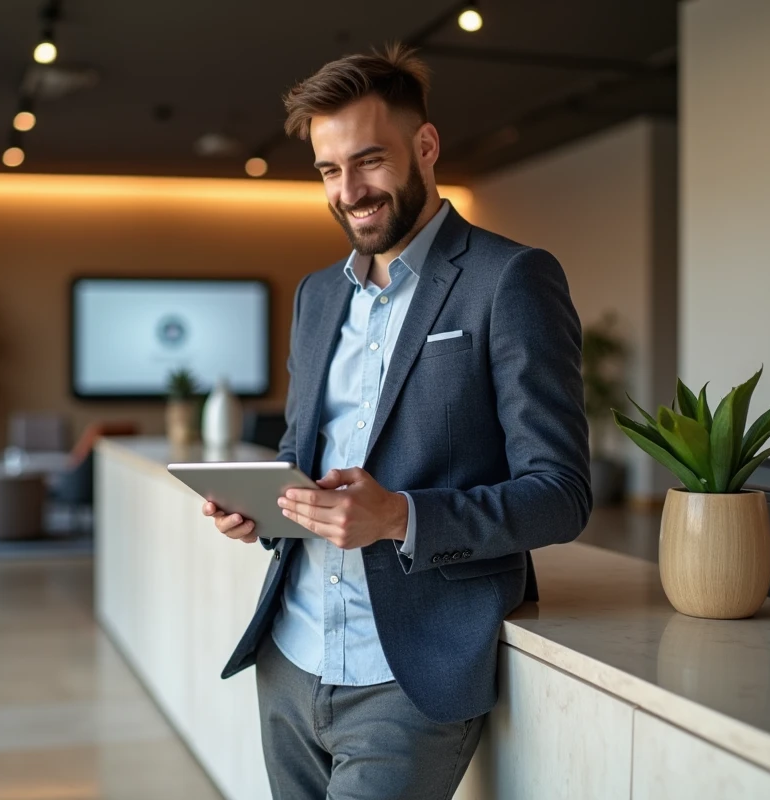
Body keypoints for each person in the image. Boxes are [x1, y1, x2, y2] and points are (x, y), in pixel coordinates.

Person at [202, 42, 591, 800]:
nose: (349, 191)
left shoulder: (509, 279)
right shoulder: (317, 297)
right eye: (327, 169)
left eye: (369, 161)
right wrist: (263, 508)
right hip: (290, 654)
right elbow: (298, 452)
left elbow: (562, 493)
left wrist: (399, 517)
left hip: (409, 674)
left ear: (426, 145)